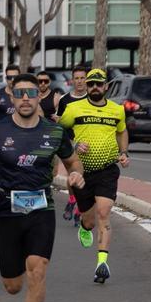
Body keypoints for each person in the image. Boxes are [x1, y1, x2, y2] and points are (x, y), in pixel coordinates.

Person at [0, 73, 85, 302]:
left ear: (39, 96)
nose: (25, 98)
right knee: (12, 285)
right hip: (7, 208)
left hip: (42, 206)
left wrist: (76, 174)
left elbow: (73, 162)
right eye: (19, 93)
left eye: (30, 93)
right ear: (11, 98)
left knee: (37, 269)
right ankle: (19, 274)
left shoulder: (54, 131)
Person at [57, 69, 130, 284]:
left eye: (99, 84)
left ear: (106, 86)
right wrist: (74, 144)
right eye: (91, 84)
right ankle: (84, 226)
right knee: (89, 220)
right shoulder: (73, 108)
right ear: (87, 87)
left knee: (104, 213)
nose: (95, 87)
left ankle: (102, 264)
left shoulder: (117, 110)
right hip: (82, 173)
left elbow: (122, 131)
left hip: (107, 170)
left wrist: (124, 152)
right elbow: (58, 131)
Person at [54, 65, 90, 225]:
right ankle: (72, 199)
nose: (80, 81)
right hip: (71, 144)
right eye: (77, 78)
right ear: (72, 81)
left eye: (83, 78)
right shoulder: (65, 100)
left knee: (86, 177)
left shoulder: (92, 98)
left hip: (89, 144)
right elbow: (60, 124)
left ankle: (79, 208)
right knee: (73, 176)